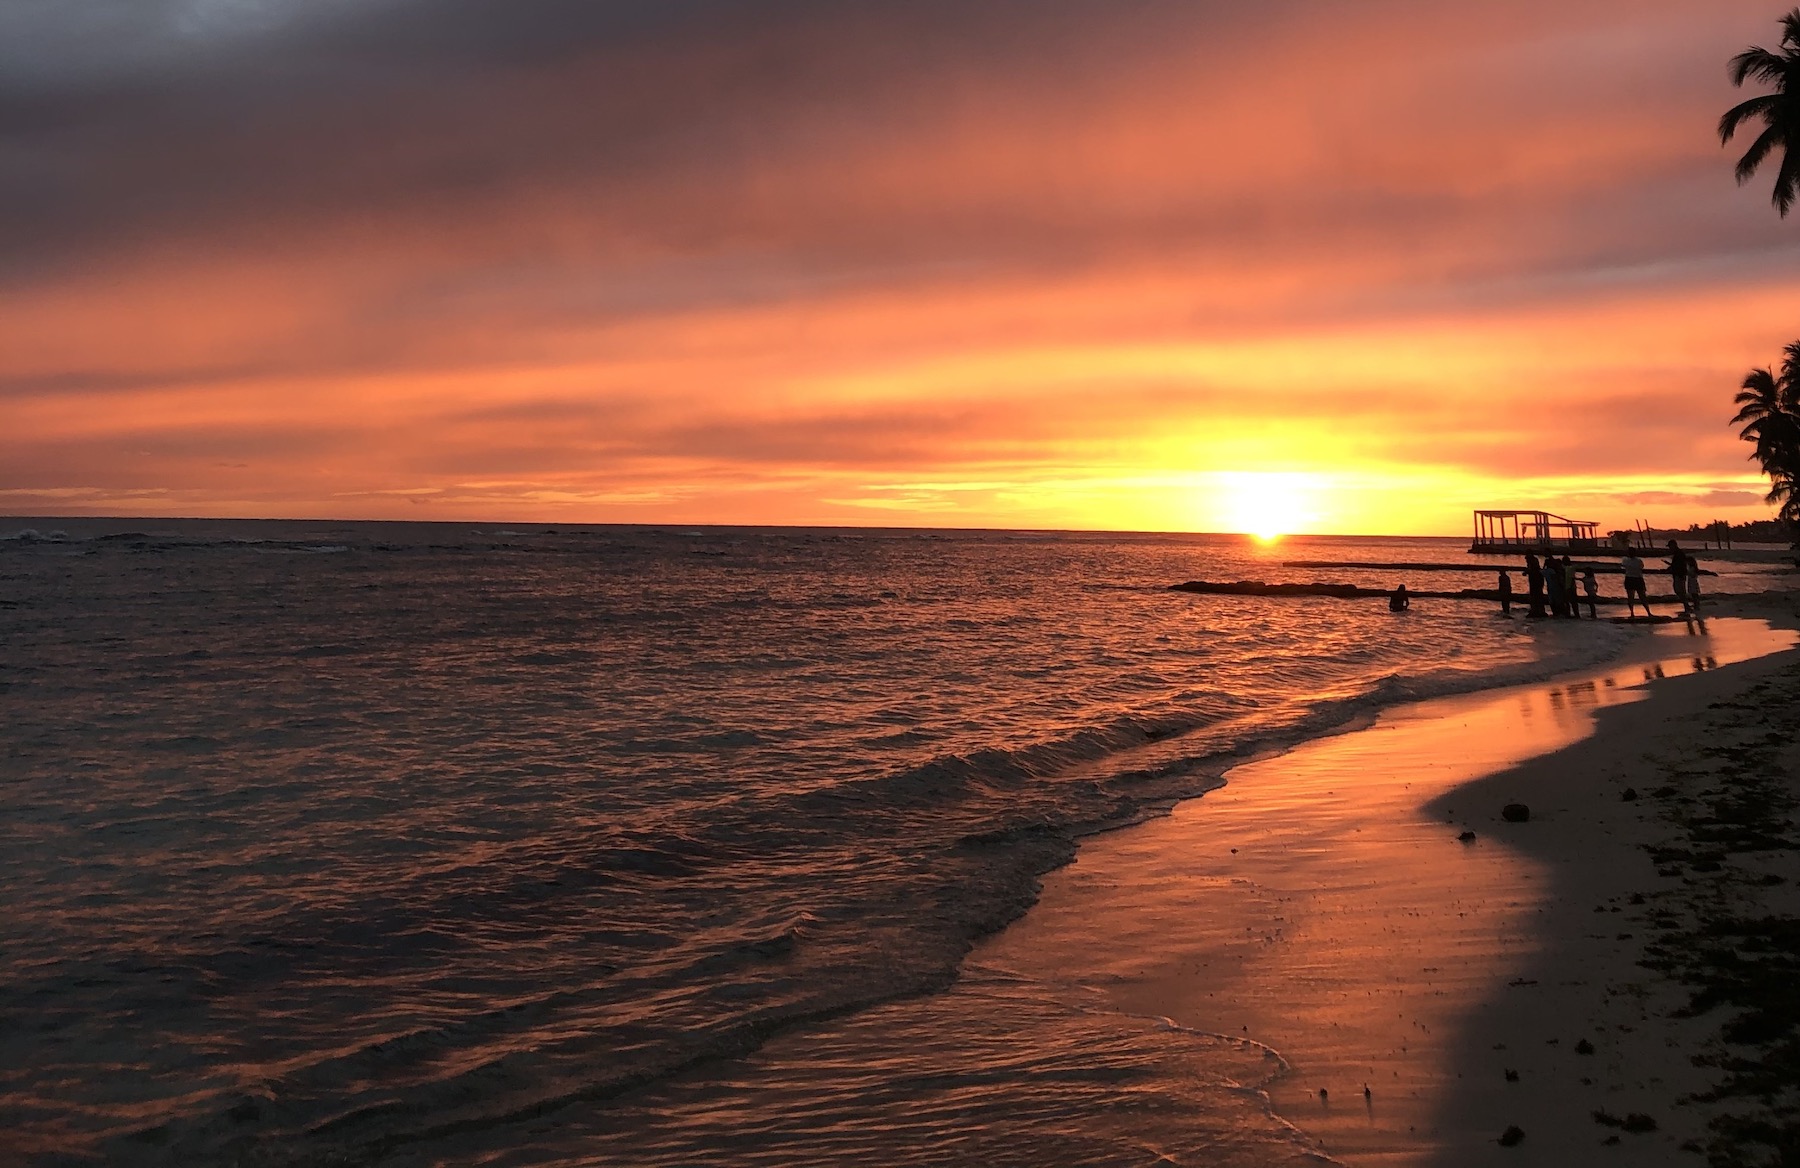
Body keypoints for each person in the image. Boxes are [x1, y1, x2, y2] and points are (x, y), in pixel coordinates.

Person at [1621, 550, 1651, 619]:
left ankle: (1632, 613)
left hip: (1630, 578)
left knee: (1631, 597)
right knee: (1642, 596)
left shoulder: (1625, 560)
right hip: (1637, 578)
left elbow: (1623, 565)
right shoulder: (1638, 560)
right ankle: (1648, 613)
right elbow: (1641, 567)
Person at [1667, 540, 1691, 615]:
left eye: (1670, 546)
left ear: (1674, 545)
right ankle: (1686, 606)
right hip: (1679, 574)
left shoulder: (1679, 554)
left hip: (1679, 575)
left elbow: (1680, 565)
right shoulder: (1678, 553)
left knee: (1680, 591)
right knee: (1679, 591)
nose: (1669, 548)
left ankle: (1687, 607)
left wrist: (1671, 567)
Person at [1524, 554, 1546, 618]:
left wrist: (1526, 572)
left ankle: (1536, 610)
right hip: (1537, 581)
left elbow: (1531, 570)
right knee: (1538, 595)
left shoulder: (1533, 564)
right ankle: (1538, 610)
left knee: (1535, 596)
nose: (1526, 561)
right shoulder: (1534, 564)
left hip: (1535, 582)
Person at [1544, 553, 1565, 617]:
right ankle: (1559, 613)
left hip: (1553, 587)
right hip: (1555, 587)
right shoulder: (1555, 571)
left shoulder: (1549, 571)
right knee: (1557, 600)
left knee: (1553, 601)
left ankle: (1556, 613)